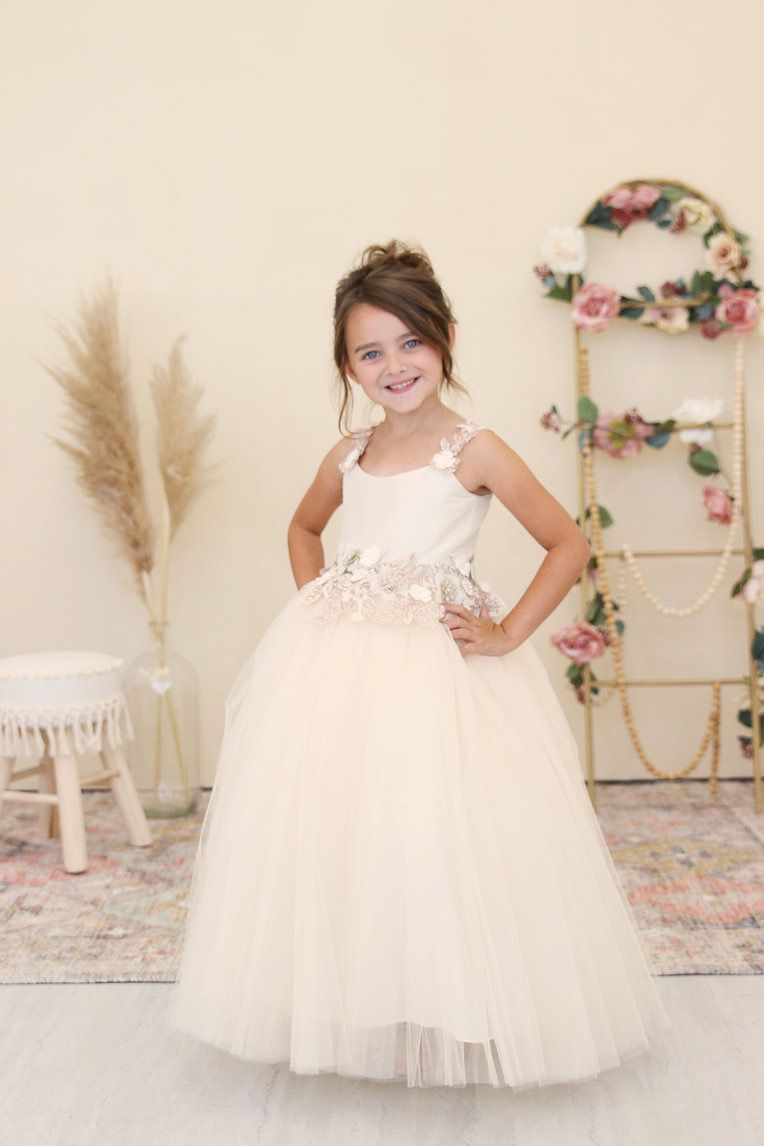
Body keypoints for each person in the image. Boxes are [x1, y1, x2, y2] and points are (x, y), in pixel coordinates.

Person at [167, 239, 671, 1089]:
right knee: (345, 829)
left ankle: (461, 1002)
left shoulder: (473, 450)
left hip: (439, 678)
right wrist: (317, 599)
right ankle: (364, 999)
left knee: (438, 829)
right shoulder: (347, 456)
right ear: (348, 367)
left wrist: (508, 631)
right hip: (339, 671)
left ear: (444, 340)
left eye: (410, 342)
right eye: (371, 352)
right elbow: (302, 529)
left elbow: (567, 541)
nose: (394, 365)